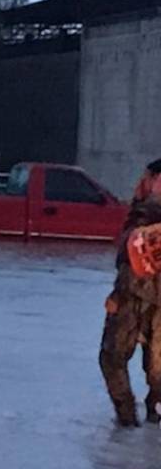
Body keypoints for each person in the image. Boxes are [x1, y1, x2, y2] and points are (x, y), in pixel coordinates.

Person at [99, 158, 161, 427]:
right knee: (156, 370)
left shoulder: (145, 212)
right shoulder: (143, 210)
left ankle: (128, 419)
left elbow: (133, 258)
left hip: (135, 297)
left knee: (112, 357)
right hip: (142, 297)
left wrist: (117, 296)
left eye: (147, 177)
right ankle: (151, 415)